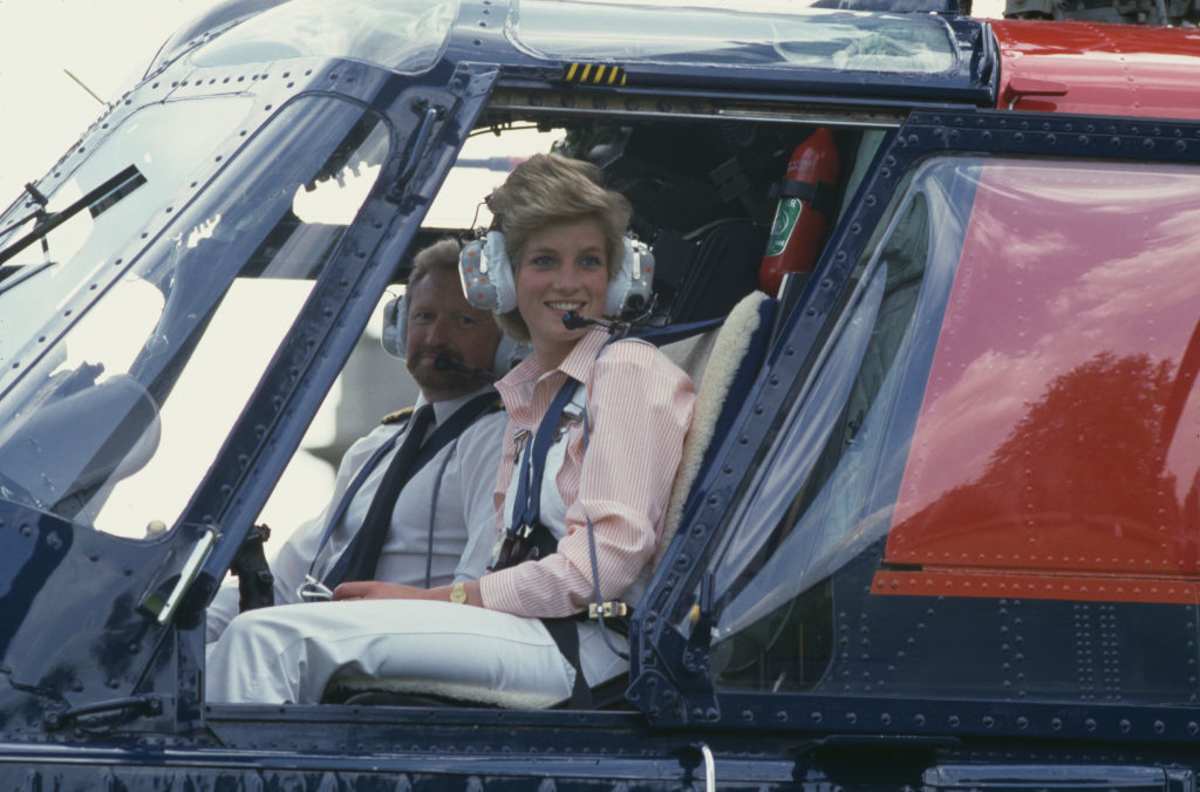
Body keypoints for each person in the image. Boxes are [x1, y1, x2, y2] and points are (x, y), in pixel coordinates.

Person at [206, 155, 695, 707]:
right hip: (530, 632)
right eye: (543, 261)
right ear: (503, 282)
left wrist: (445, 601)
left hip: (579, 647)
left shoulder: (625, 370)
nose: (569, 283)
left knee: (264, 643)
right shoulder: (533, 396)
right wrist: (423, 603)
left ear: (616, 277)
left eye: (589, 262)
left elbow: (602, 570)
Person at [205, 238, 508, 644]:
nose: (436, 336)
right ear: (399, 329)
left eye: (464, 321)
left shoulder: (501, 439)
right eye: (423, 317)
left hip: (416, 645)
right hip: (333, 640)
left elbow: (481, 586)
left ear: (508, 337)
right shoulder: (375, 448)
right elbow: (288, 579)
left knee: (253, 641)